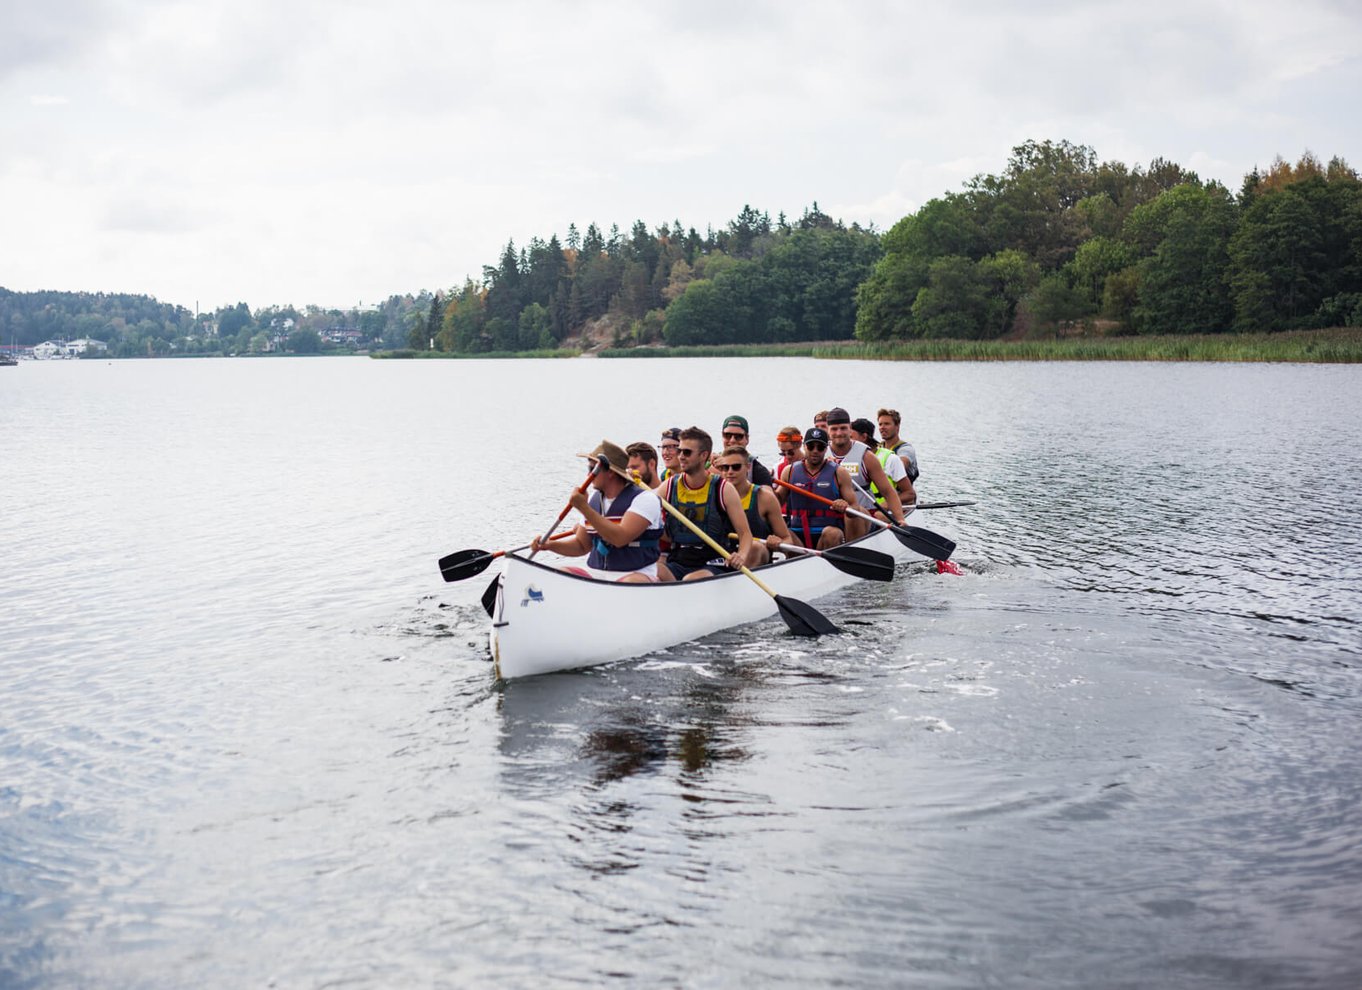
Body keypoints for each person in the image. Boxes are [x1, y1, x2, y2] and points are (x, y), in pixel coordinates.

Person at [530, 440, 663, 582]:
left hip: (637, 573)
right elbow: (582, 545)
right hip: (597, 574)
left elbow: (620, 539)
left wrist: (584, 508)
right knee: (560, 573)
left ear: (610, 472)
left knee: (630, 583)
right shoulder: (594, 500)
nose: (588, 475)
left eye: (592, 469)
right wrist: (550, 545)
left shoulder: (645, 499)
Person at [657, 427, 755, 581]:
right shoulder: (668, 486)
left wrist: (741, 555)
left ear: (703, 456)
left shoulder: (724, 489)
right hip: (679, 560)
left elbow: (745, 534)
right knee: (655, 571)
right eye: (679, 451)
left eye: (687, 452)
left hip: (713, 562)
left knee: (691, 579)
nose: (681, 456)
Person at [824, 407, 908, 538]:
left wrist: (900, 519)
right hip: (829, 517)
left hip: (864, 516)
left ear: (850, 428)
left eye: (843, 428)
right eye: (834, 429)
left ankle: (852, 549)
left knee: (852, 511)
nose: (839, 433)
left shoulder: (866, 457)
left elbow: (888, 491)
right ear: (828, 430)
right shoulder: (820, 453)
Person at [775, 427, 857, 549]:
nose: (815, 451)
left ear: (826, 449)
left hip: (827, 532)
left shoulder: (839, 472)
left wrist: (845, 507)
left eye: (820, 447)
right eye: (811, 446)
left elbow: (854, 508)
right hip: (797, 531)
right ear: (804, 446)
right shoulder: (789, 471)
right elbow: (776, 501)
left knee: (832, 534)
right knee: (783, 535)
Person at [712, 445, 793, 565]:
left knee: (754, 547)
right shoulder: (714, 495)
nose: (729, 472)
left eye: (736, 467)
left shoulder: (765, 498)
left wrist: (778, 543)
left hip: (757, 555)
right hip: (724, 557)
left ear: (748, 467)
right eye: (724, 467)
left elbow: (788, 539)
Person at [852, 417, 916, 510]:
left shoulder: (891, 459)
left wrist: (887, 503)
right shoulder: (848, 458)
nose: (847, 442)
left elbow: (910, 494)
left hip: (881, 511)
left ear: (864, 437)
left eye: (851, 438)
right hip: (856, 510)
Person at [717, 415, 773, 486]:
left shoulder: (758, 472)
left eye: (738, 436)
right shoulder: (710, 464)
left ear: (747, 439)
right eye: (727, 435)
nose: (732, 440)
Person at [876, 407, 919, 482]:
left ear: (897, 426)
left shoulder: (906, 449)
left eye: (886, 424)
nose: (882, 427)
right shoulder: (877, 447)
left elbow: (900, 466)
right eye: (880, 424)